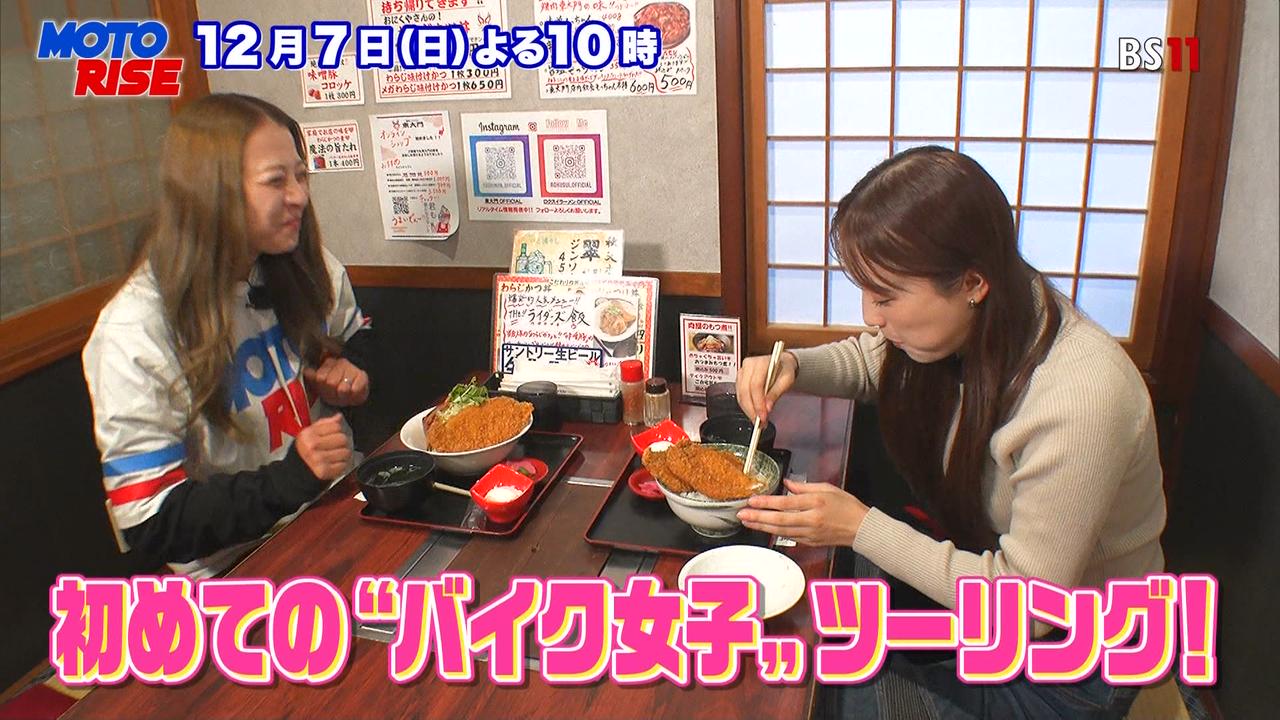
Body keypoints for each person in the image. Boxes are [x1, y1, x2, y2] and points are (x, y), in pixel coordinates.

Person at [736, 147, 1166, 718]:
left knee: (817, 695)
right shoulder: (988, 319)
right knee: (815, 634)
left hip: (1070, 664)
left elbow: (1029, 608)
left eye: (885, 296)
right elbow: (872, 360)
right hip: (985, 596)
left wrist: (860, 527)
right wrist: (792, 365)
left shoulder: (1080, 395)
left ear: (972, 283)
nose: (870, 316)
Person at [82, 93, 373, 578]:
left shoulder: (303, 266)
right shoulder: (135, 331)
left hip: (338, 506)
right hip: (236, 567)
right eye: (276, 180)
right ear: (210, 191)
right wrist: (289, 479)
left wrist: (349, 368)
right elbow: (152, 521)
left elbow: (357, 334)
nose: (299, 196)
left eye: (301, 175)